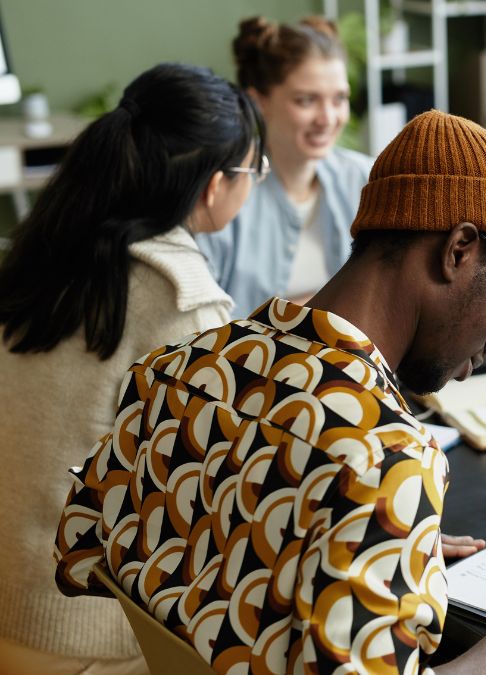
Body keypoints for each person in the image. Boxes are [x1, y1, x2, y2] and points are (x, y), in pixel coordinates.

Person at [55, 110, 486, 674]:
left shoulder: (178, 369)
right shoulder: (385, 459)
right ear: (458, 251)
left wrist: (372, 544)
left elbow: (81, 546)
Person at [0, 63, 263, 673]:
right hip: (83, 635)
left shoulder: (49, 252)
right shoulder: (177, 297)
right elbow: (224, 488)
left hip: (11, 604)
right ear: (212, 186)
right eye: (255, 171)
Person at [197, 16, 373, 316]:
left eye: (339, 99)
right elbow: (200, 328)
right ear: (258, 101)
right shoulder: (220, 193)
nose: (328, 118)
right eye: (307, 100)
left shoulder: (366, 178)